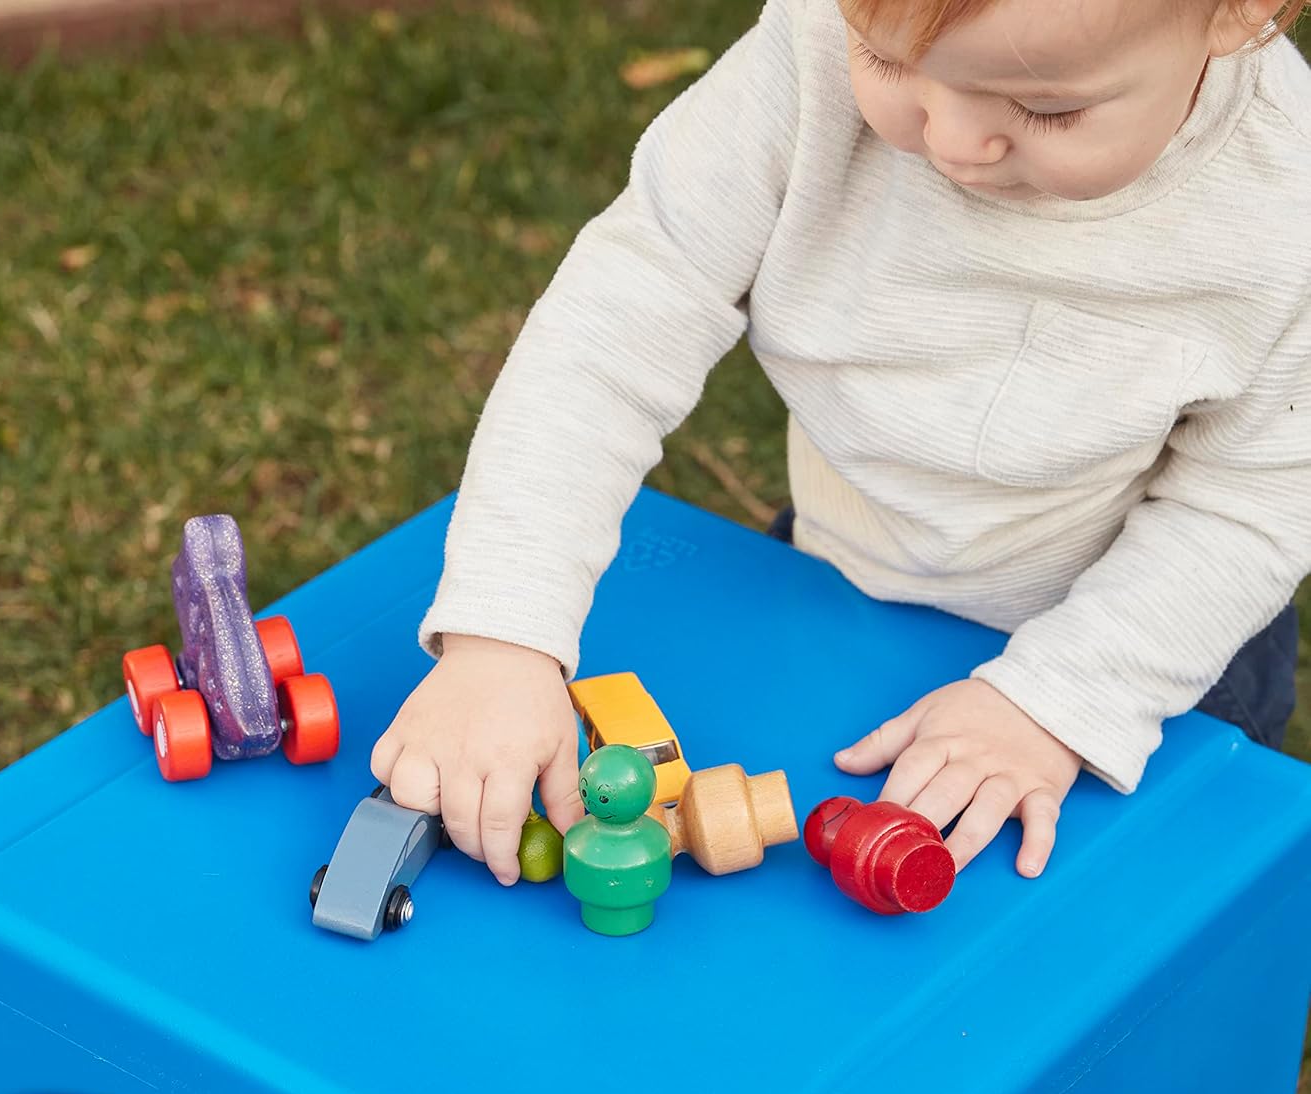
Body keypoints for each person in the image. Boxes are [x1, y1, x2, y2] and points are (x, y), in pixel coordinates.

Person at [371, 0, 1311, 888]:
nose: (948, 141)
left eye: (1045, 107)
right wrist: (504, 635)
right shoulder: (811, 51)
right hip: (841, 568)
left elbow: (1252, 504)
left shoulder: (1283, 203)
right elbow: (618, 323)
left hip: (1147, 639)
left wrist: (1054, 705)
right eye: (890, 60)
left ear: (1236, 12)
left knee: (1108, 941)